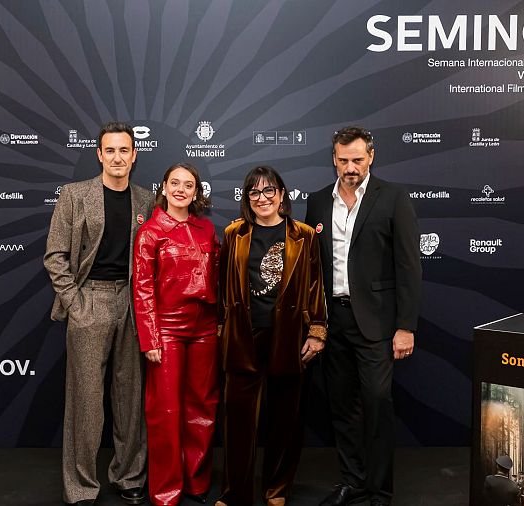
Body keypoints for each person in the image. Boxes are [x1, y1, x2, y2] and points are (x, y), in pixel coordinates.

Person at [306, 126, 421, 506]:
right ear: (334, 159)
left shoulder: (393, 197)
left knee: (376, 404)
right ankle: (352, 482)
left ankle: (379, 489)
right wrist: (315, 322)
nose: (350, 166)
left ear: (371, 156)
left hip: (376, 324)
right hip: (332, 321)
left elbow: (408, 266)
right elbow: (314, 267)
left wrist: (406, 326)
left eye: (357, 159)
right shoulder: (319, 201)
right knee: (341, 407)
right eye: (343, 160)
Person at [44, 121, 152, 506]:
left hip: (134, 304)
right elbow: (55, 255)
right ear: (99, 154)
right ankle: (81, 486)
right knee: (86, 400)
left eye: (125, 150)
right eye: (111, 150)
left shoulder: (145, 200)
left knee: (131, 395)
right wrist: (75, 302)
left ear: (135, 155)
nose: (118, 157)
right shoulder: (75, 195)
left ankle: (129, 476)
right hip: (90, 301)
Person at [216, 166, 327, 506]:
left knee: (285, 419)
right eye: (254, 192)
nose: (262, 198)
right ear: (246, 198)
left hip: (289, 336)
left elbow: (315, 284)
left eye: (269, 191)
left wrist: (318, 331)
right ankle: (237, 492)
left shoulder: (304, 235)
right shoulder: (234, 233)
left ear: (281, 194)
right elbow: (223, 285)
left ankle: (277, 489)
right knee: (238, 421)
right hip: (243, 337)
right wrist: (224, 328)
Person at [132, 163, 220, 506]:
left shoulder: (207, 229)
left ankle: (197, 483)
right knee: (166, 412)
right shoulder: (151, 232)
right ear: (164, 188)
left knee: (202, 408)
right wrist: (151, 338)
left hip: (205, 327)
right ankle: (166, 490)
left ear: (196, 192)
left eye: (189, 184)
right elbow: (142, 288)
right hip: (167, 327)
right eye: (175, 183)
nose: (182, 189)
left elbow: (219, 278)